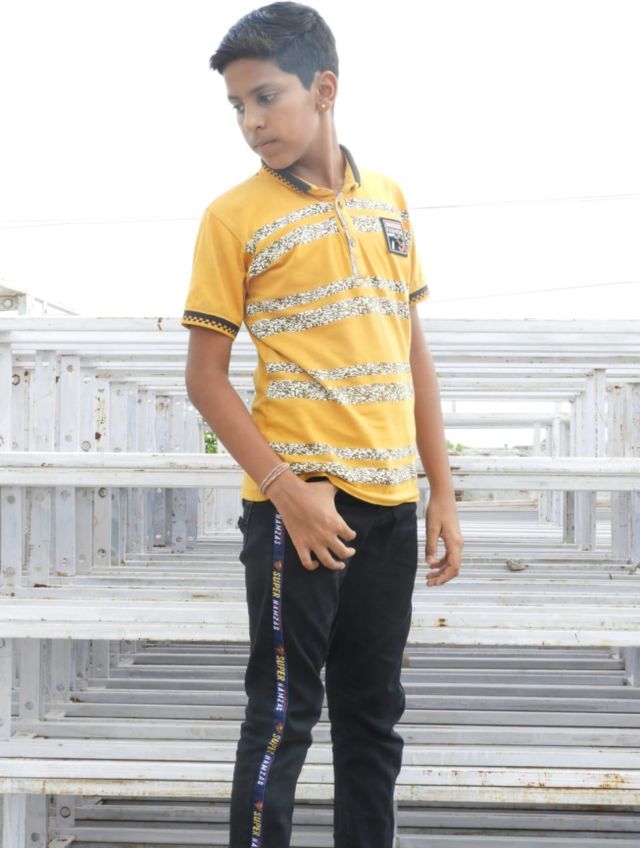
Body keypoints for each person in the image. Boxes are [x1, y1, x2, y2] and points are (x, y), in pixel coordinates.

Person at [181, 3, 463, 846]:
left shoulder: (390, 201)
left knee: (374, 720)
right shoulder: (232, 216)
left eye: (266, 96)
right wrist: (287, 492)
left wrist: (442, 492)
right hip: (298, 505)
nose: (251, 121)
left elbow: (410, 351)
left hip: (391, 505)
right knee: (281, 720)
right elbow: (203, 377)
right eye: (237, 107)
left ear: (325, 88)